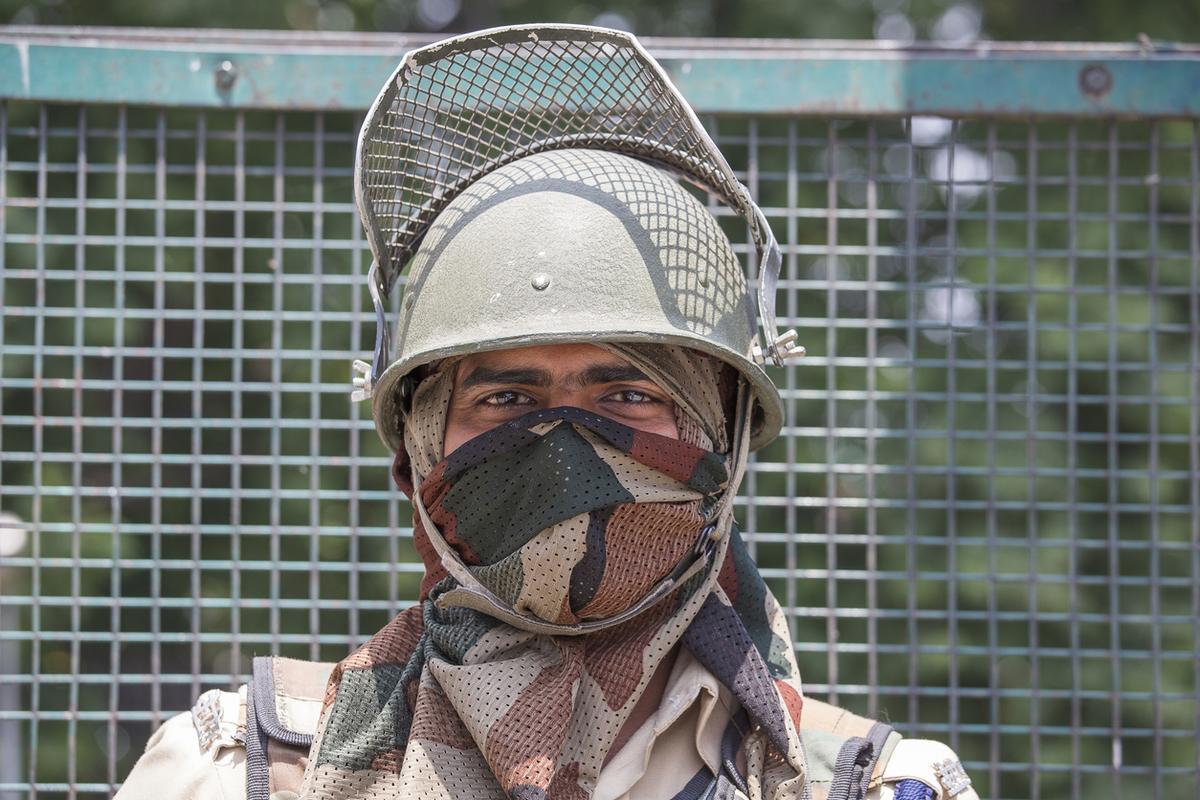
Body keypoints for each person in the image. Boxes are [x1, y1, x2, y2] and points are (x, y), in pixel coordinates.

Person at [116, 25, 978, 800]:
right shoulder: (246, 772)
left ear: (726, 436)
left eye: (629, 395)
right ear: (420, 451)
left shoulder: (865, 788)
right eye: (506, 399)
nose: (566, 446)